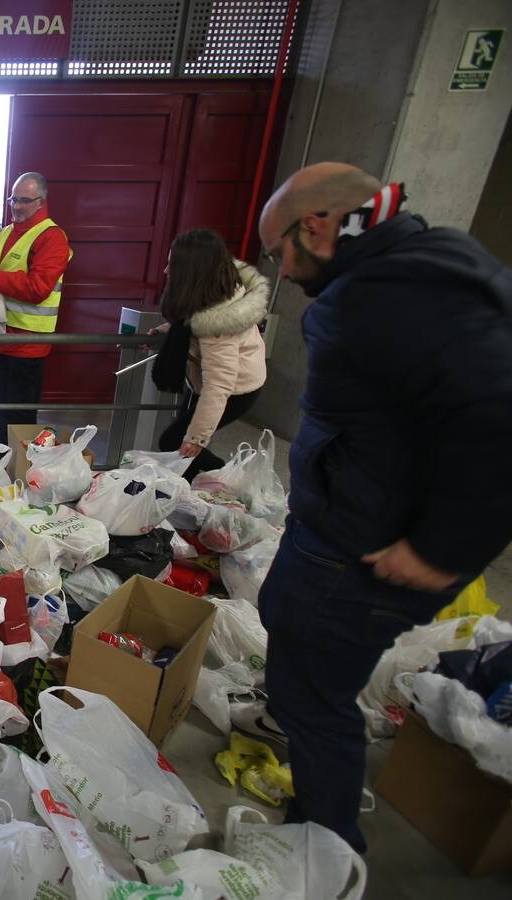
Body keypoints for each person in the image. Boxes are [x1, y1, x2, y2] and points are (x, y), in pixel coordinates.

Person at [255, 162, 512, 854]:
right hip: (343, 533)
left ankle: (326, 848)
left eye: (279, 249)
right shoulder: (425, 260)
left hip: (355, 554)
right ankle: (318, 813)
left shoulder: (393, 291)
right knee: (299, 666)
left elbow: (498, 416)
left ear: (316, 226)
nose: (281, 268)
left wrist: (441, 549)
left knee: (314, 699)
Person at [148, 229, 267, 480]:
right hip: (202, 380)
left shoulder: (218, 321)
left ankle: (230, 479)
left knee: (176, 442)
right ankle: (183, 500)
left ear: (192, 272)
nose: (166, 271)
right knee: (183, 451)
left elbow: (219, 384)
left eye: (173, 265)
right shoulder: (208, 287)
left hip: (236, 389)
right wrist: (167, 331)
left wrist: (197, 437)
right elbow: (189, 320)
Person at [0, 172, 71, 445]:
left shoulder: (52, 237)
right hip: (0, 338)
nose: (17, 206)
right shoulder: (5, 232)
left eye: (25, 200)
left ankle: (22, 479)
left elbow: (38, 288)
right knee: (1, 419)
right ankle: (5, 475)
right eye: (14, 199)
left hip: (28, 344)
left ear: (41, 201)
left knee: (20, 424)